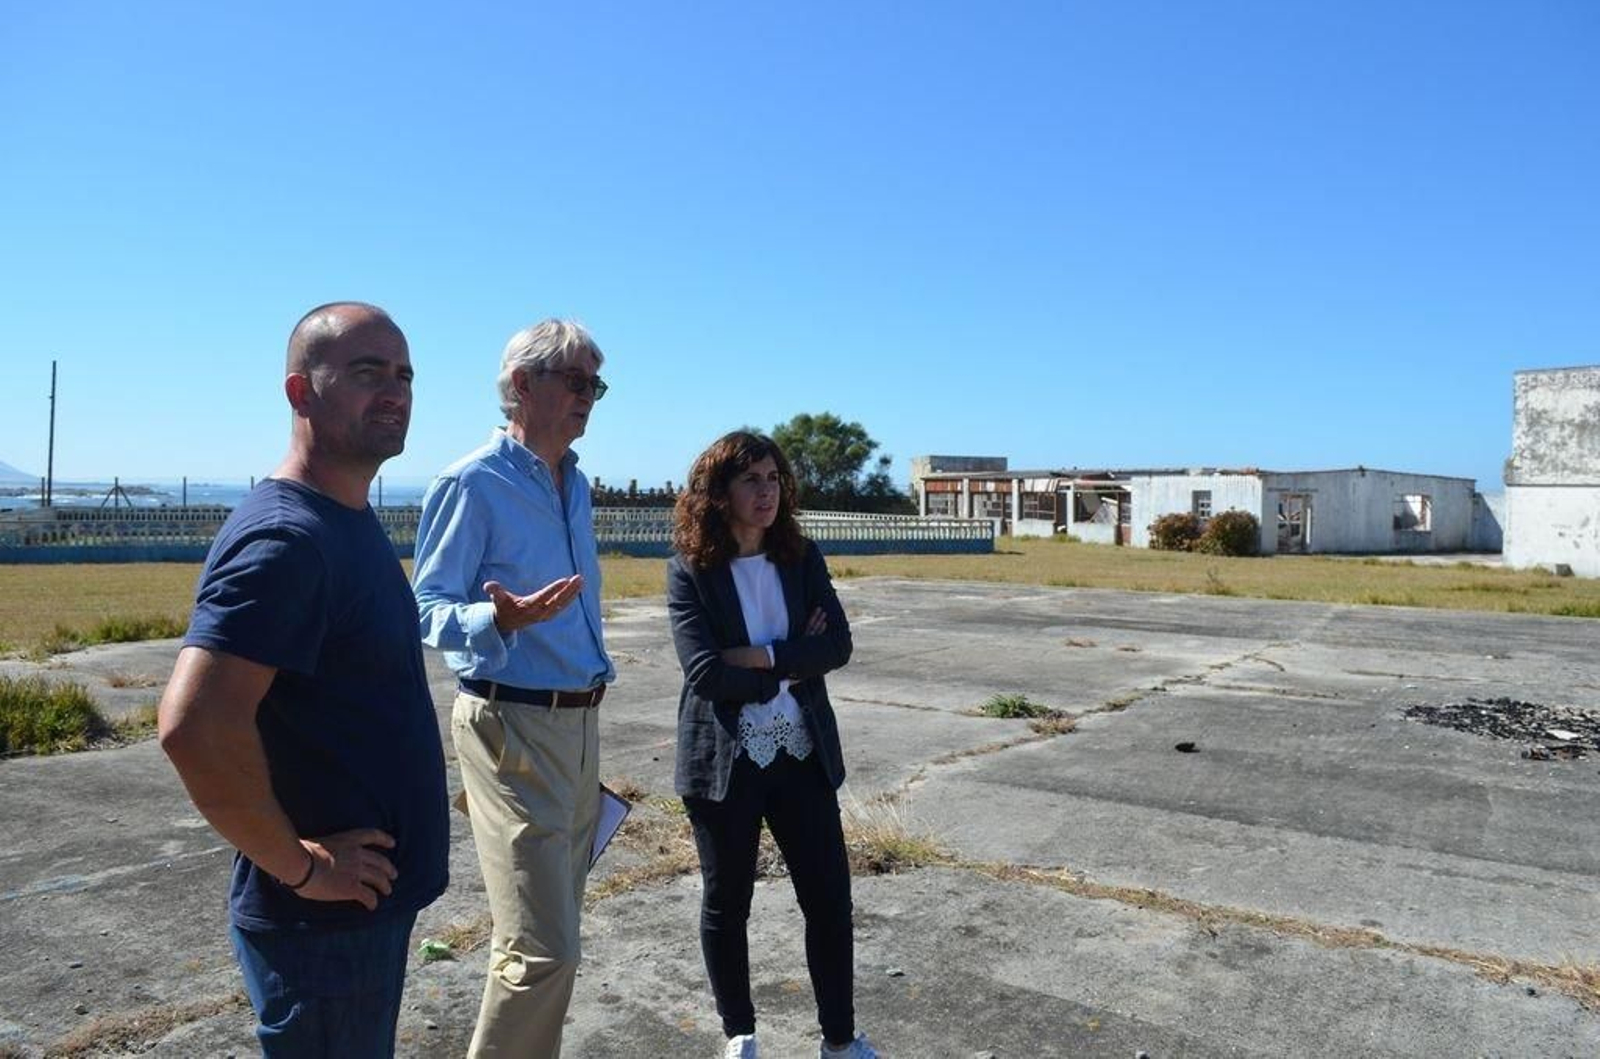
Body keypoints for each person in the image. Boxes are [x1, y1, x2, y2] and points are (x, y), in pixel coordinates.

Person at [157, 302, 450, 1057]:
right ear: (300, 392)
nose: (394, 390)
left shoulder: (343, 518)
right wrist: (300, 866)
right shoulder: (288, 538)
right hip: (326, 928)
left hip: (358, 916)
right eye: (365, 372)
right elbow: (195, 727)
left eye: (404, 374)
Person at [412, 318, 614, 1058]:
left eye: (596, 383)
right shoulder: (473, 482)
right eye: (575, 380)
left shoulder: (576, 483)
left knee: (554, 939)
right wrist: (495, 615)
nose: (588, 396)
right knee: (541, 949)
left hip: (579, 726)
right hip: (511, 725)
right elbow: (425, 608)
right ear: (522, 385)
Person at [667, 430, 879, 1059]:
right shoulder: (691, 570)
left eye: (774, 479)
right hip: (723, 761)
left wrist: (760, 658)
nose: (767, 492)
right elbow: (704, 673)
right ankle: (740, 1034)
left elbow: (836, 645)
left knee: (829, 902)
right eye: (751, 480)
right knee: (727, 902)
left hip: (801, 753)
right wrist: (791, 664)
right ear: (719, 493)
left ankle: (839, 1040)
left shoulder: (800, 558)